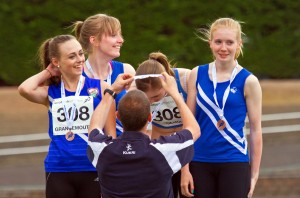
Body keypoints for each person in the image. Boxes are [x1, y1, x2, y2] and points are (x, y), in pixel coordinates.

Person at [18, 34, 116, 198]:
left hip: (92, 167)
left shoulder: (102, 87)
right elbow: (24, 89)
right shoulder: (51, 92)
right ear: (56, 61)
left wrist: (109, 168)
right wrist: (48, 72)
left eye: (80, 53)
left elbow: (111, 134)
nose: (79, 59)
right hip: (58, 168)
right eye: (72, 56)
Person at [181, 18, 263, 198]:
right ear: (210, 43)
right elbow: (188, 125)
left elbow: (256, 130)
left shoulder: (249, 81)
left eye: (229, 42)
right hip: (198, 160)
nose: (223, 48)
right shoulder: (197, 74)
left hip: (234, 160)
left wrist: (254, 174)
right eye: (218, 42)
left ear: (239, 44)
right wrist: (184, 168)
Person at [87, 72, 200, 198]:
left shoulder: (102, 149)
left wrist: (112, 91)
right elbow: (194, 129)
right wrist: (175, 93)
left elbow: (94, 126)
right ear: (150, 117)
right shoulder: (164, 150)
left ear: (118, 116)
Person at [134, 51, 190, 197]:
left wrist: (185, 169)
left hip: (189, 150)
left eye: (156, 96)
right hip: (164, 150)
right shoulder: (136, 88)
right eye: (148, 99)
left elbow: (191, 125)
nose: (151, 102)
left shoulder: (185, 79)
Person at [72, 13, 136, 136]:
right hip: (88, 148)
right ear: (94, 40)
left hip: (122, 148)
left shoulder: (126, 70)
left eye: (120, 35)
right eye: (113, 35)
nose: (121, 40)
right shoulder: (76, 75)